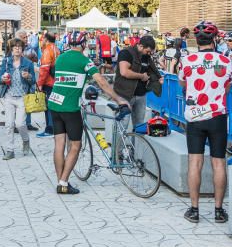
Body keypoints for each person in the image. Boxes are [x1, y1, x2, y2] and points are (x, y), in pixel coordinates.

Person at [47, 31, 128, 195]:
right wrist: (118, 99)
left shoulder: (61, 57)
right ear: (83, 44)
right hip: (70, 107)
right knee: (76, 145)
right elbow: (102, 82)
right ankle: (63, 183)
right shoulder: (85, 60)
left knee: (59, 145)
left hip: (54, 104)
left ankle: (60, 180)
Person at [179, 21, 232, 223]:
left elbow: (183, 83)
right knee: (219, 162)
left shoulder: (187, 60)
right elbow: (227, 87)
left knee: (195, 161)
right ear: (215, 39)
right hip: (217, 115)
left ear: (196, 39)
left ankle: (194, 209)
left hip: (195, 115)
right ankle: (219, 210)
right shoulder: (226, 61)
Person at [0, 39, 37, 159]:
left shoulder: (28, 63)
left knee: (20, 124)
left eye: (19, 47)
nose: (17, 49)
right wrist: (2, 79)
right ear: (11, 49)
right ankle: (10, 150)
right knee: (9, 124)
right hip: (9, 96)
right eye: (15, 47)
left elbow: (33, 81)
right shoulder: (6, 61)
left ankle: (25, 140)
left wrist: (29, 76)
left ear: (22, 49)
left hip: (22, 98)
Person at [114, 34, 156, 131]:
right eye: (148, 51)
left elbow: (149, 71)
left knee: (139, 127)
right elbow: (124, 72)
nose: (149, 54)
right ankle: (118, 146)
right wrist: (142, 76)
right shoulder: (126, 53)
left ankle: (135, 146)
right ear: (141, 46)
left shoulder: (146, 57)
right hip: (125, 95)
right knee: (121, 127)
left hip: (141, 95)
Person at [37, 32, 61, 137]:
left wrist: (40, 84)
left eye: (42, 39)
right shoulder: (56, 49)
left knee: (48, 106)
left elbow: (44, 69)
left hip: (48, 82)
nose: (41, 41)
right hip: (56, 81)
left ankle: (50, 129)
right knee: (53, 105)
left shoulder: (47, 50)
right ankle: (54, 128)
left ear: (46, 39)